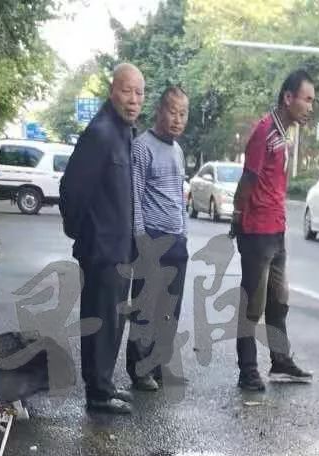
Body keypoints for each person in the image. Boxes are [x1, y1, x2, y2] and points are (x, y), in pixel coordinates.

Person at [58, 63, 144, 416]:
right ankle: (97, 392)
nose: (134, 99)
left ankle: (104, 384)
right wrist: (83, 234)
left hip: (120, 248)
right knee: (100, 318)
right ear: (113, 91)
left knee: (113, 319)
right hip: (102, 249)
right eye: (127, 91)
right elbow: (72, 190)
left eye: (140, 93)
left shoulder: (124, 133)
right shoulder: (101, 133)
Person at [231, 69, 316, 393]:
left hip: (276, 230)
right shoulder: (265, 131)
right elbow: (248, 179)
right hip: (257, 232)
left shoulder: (284, 134)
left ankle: (280, 361)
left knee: (279, 300)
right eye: (306, 99)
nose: (309, 106)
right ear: (288, 98)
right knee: (253, 303)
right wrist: (238, 218)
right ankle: (247, 370)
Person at [126, 85, 190, 392]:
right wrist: (140, 237)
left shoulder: (178, 150)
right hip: (151, 239)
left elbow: (179, 195)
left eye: (183, 113)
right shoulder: (142, 146)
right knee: (145, 308)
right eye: (173, 112)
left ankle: (159, 363)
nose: (178, 120)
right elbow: (135, 196)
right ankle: (139, 370)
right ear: (160, 111)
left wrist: (185, 233)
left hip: (176, 241)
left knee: (170, 308)